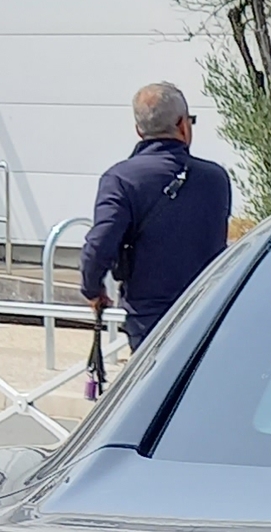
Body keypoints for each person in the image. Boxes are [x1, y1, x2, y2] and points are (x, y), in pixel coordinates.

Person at [80, 83, 233, 351]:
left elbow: (100, 243)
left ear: (139, 131)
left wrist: (92, 289)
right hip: (207, 310)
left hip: (149, 318)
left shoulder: (120, 179)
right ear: (183, 126)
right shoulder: (216, 180)